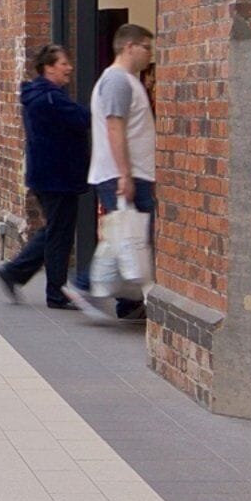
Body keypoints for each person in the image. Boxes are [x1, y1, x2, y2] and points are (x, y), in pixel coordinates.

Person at [0, 45, 96, 309]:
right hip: (58, 177)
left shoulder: (42, 95)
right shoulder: (50, 98)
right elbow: (83, 118)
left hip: (50, 175)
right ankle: (54, 292)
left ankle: (14, 273)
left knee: (54, 230)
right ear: (49, 67)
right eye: (63, 63)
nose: (69, 68)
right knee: (59, 235)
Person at [89, 23, 157, 316]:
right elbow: (114, 127)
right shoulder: (117, 80)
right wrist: (125, 174)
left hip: (130, 174)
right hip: (126, 175)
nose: (150, 54)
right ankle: (86, 286)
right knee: (130, 240)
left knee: (128, 240)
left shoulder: (126, 80)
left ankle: (127, 305)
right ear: (129, 47)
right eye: (146, 47)